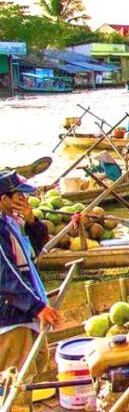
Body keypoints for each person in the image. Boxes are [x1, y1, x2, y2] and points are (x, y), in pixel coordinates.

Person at [0, 172, 60, 410]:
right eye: (19, 196)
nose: (25, 200)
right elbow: (6, 276)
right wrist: (38, 307)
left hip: (26, 310)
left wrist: (32, 221)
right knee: (16, 383)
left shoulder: (12, 223)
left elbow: (34, 252)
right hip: (12, 317)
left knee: (35, 368)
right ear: (4, 199)